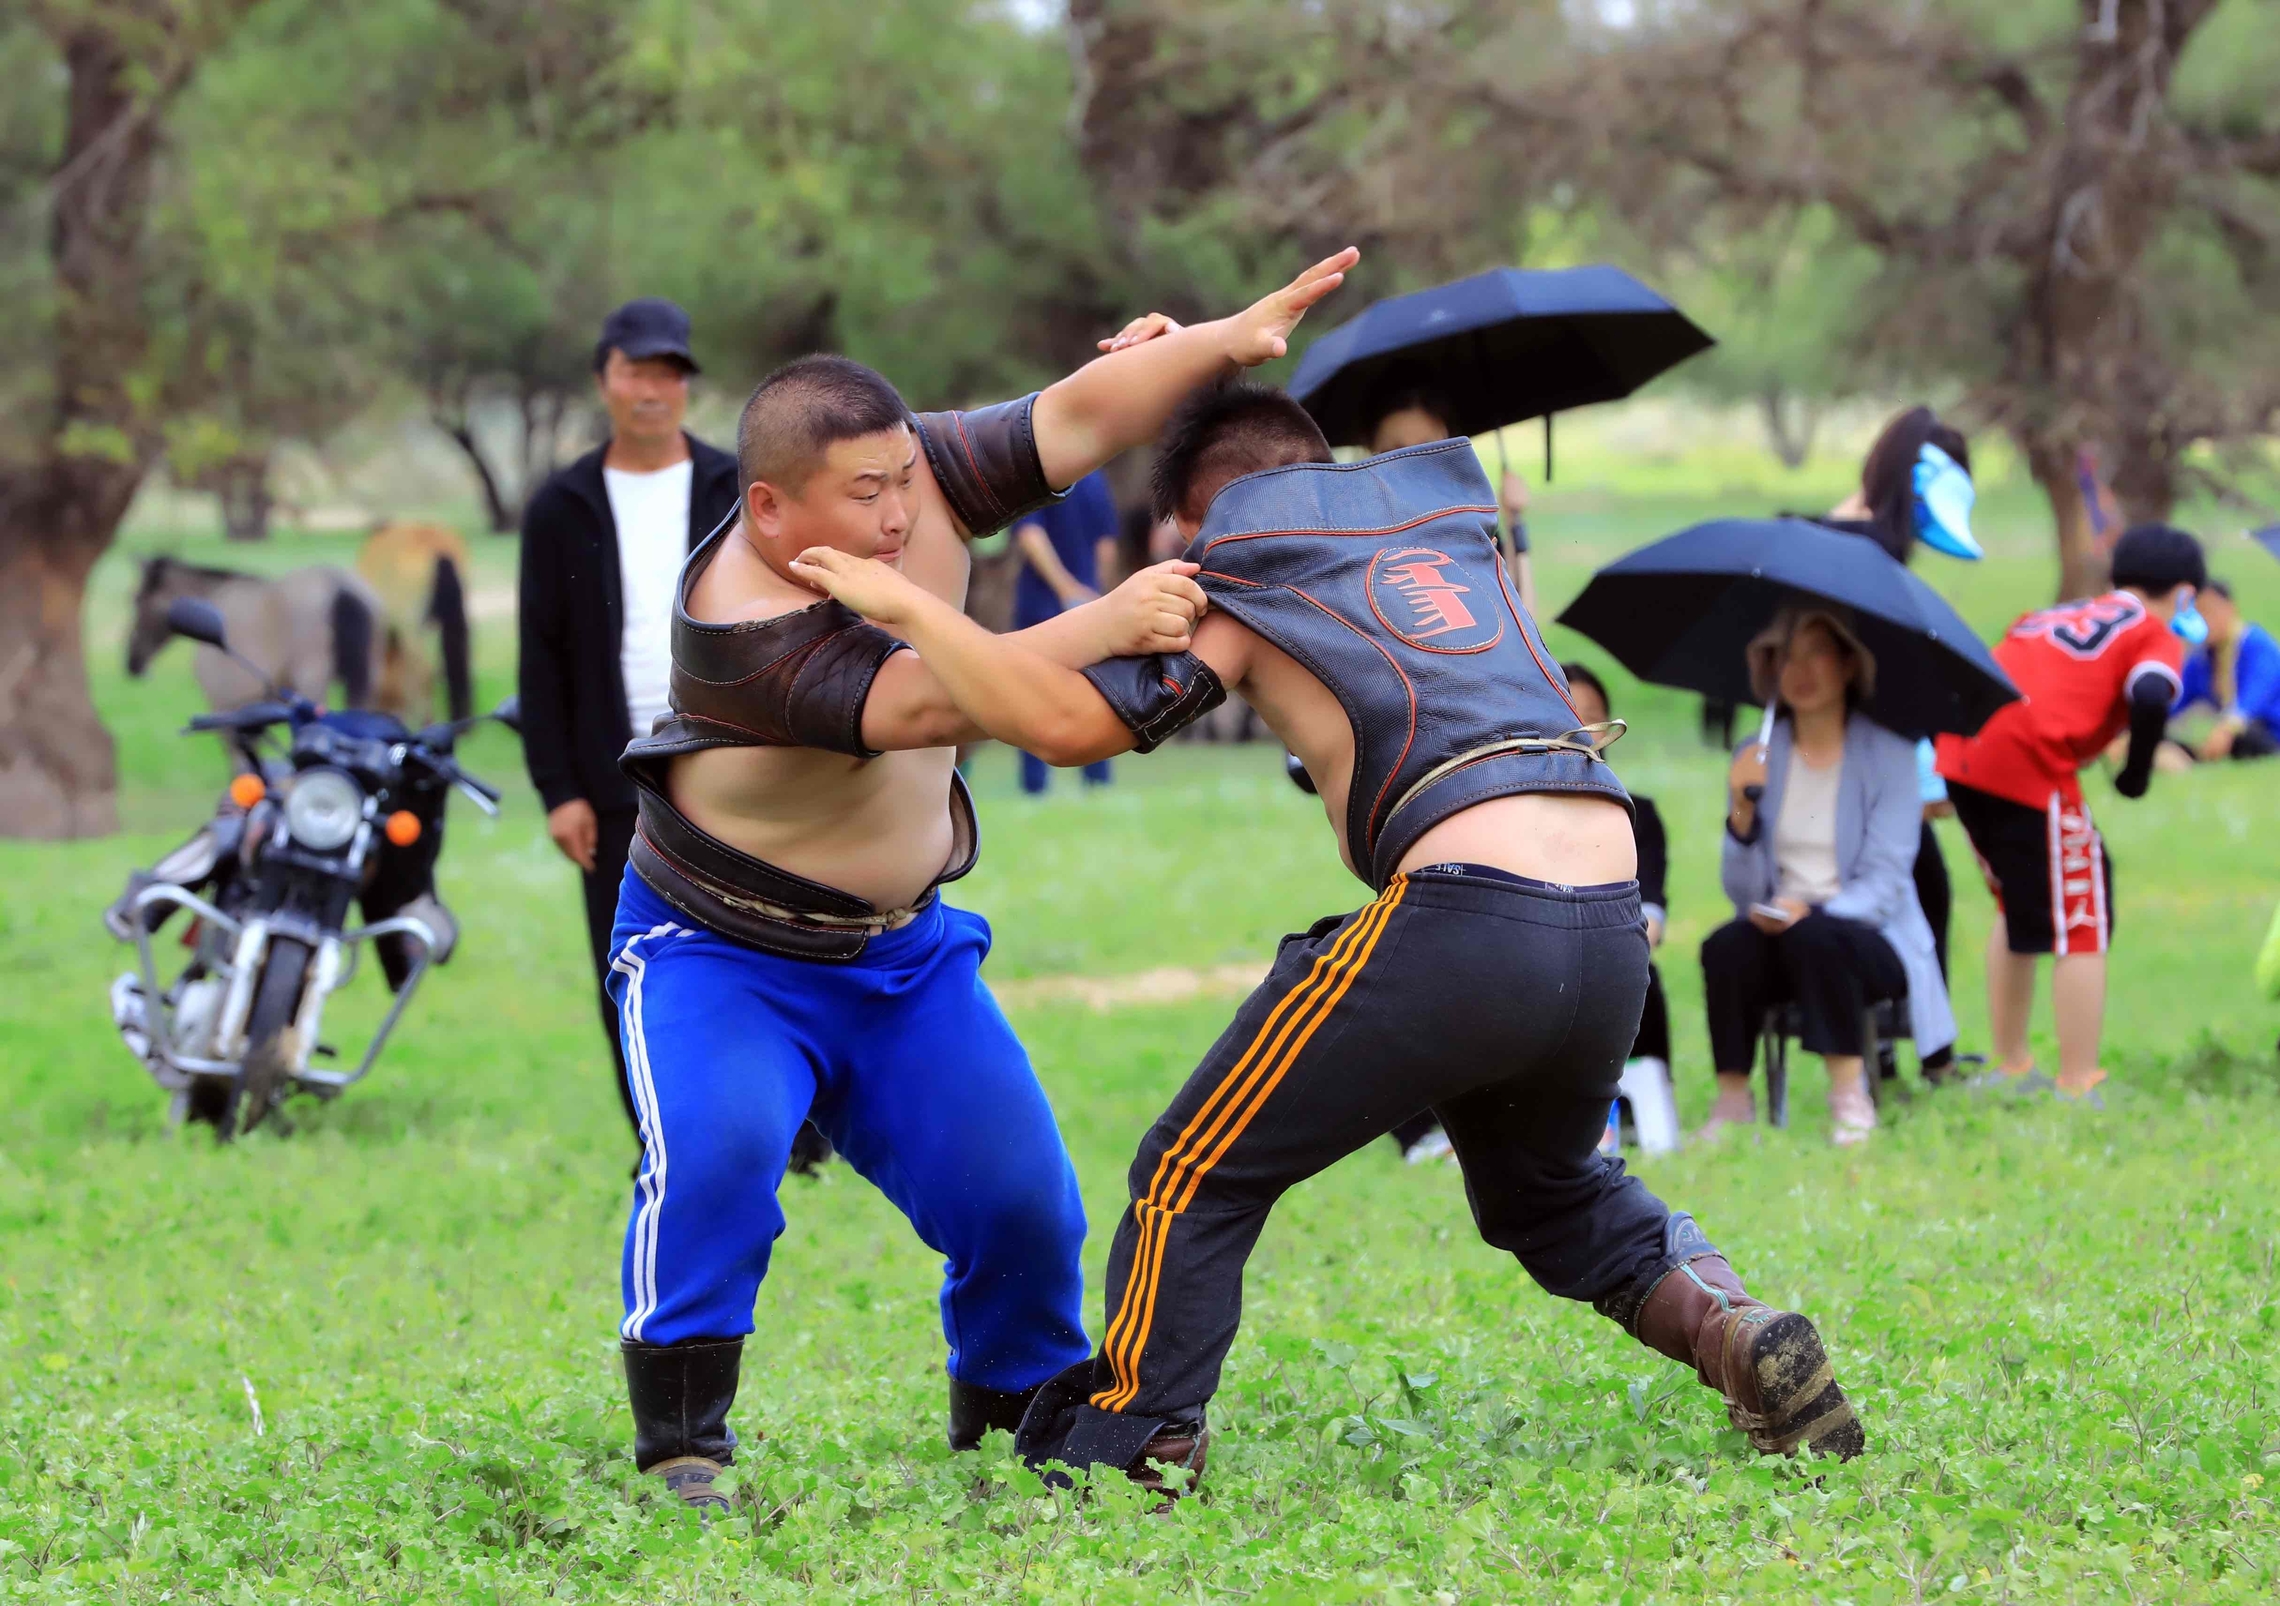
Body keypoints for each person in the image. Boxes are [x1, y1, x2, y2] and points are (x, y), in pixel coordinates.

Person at [792, 379, 1865, 1500]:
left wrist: (909, 610)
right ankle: (1736, 1328)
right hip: (1607, 911)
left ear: (1204, 520)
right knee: (1551, 1191)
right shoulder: (1450, 542)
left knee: (1189, 1172)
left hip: (1470, 904)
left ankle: (1138, 1442)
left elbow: (1064, 725)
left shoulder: (1244, 565)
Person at [602, 252, 1359, 1514]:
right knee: (722, 1160)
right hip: (717, 952)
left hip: (904, 952)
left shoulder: (909, 480)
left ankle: (1014, 1415)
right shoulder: (739, 632)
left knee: (1020, 1198)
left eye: (906, 476)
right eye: (864, 495)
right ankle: (685, 1444)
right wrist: (1109, 619)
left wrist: (1229, 340)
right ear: (773, 509)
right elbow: (938, 696)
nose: (899, 513)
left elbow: (1074, 414)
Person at [517, 299, 738, 1142]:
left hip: (729, 759)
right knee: (628, 962)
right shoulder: (562, 506)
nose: (653, 390)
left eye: (669, 374)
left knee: (750, 947)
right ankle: (659, 1134)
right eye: (636, 372)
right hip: (614, 775)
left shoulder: (732, 487)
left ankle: (779, 1129)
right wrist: (558, 789)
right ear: (605, 378)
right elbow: (540, 661)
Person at [1935, 523, 2208, 1106]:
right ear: (2185, 593)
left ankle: (2011, 1063)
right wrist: (2135, 775)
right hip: (2029, 763)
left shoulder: (2051, 615)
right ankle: (2079, 1079)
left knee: (2019, 901)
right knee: (2083, 916)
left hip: (1960, 753)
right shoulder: (2152, 632)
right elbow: (2154, 695)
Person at [1388, 660, 1678, 1162]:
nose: (1577, 736)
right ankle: (1440, 1128)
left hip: (1594, 948)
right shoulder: (1491, 808)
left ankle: (1622, 1108)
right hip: (1507, 951)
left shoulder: (1633, 812)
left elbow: (1647, 914)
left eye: (1591, 722)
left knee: (1631, 969)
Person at [1700, 608, 1957, 1146]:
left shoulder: (1889, 753)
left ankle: (1849, 1095)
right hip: (1782, 927)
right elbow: (1741, 892)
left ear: (1847, 665)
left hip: (1870, 935)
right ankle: (1731, 1101)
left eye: (1816, 653)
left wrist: (1810, 913)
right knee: (1725, 945)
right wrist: (1740, 813)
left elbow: (1886, 881)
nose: (1800, 670)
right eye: (1787, 657)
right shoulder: (1759, 752)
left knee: (1818, 936)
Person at [1813, 405, 1978, 1073]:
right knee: (1916, 890)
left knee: (1910, 890)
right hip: (1864, 747)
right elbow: (1880, 667)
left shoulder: (1835, 528)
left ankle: (1907, 1050)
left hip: (1846, 742)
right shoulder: (1869, 546)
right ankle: (1917, 1055)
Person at [1361, 367, 1536, 616]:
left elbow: (1523, 623)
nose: (1413, 467)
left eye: (1428, 450)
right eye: (1396, 453)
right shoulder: (1359, 540)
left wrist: (1513, 520)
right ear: (1371, 451)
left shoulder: (1467, 525)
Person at [1011, 469, 1120, 792]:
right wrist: (1092, 592)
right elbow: (1106, 545)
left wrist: (1065, 589)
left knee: (1030, 696)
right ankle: (1097, 782)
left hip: (1041, 607)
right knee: (1095, 694)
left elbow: (1030, 536)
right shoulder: (1096, 479)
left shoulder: (1037, 480)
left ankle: (1035, 785)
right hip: (1089, 608)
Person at [2169, 579, 2280, 762]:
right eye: (2197, 614)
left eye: (2209, 611)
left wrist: (2227, 728)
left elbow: (2254, 696)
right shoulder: (2201, 660)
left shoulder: (2255, 643)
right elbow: (2175, 700)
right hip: (2232, 734)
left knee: (2246, 737)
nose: (2205, 620)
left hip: (2269, 731)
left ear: (2229, 608)